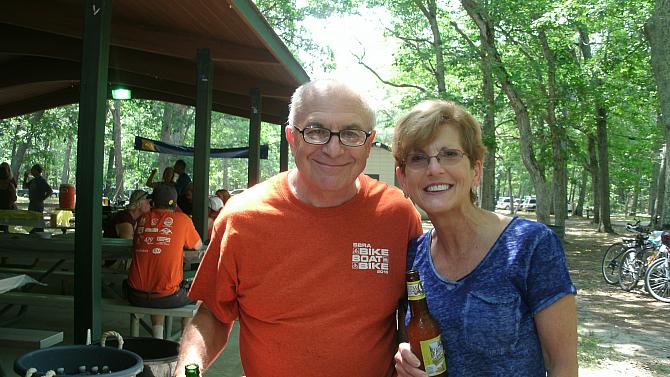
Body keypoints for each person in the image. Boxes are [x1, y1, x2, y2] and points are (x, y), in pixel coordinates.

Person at [172, 79, 423, 377]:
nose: (333, 149)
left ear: (368, 142)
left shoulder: (398, 215)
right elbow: (212, 313)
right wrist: (189, 367)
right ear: (292, 137)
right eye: (316, 131)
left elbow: (415, 309)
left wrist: (409, 353)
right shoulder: (242, 217)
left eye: (350, 134)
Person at [392, 100, 577, 376]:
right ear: (403, 178)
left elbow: (562, 364)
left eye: (450, 154)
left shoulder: (530, 245)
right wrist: (405, 358)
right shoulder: (411, 258)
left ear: (475, 171)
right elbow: (409, 340)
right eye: (418, 158)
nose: (434, 169)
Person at [126, 184, 203, 339]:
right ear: (175, 204)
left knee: (157, 283)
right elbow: (198, 246)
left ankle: (158, 339)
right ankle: (185, 344)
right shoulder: (183, 220)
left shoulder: (142, 219)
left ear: (152, 202)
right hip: (166, 297)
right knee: (199, 291)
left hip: (134, 294)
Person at [22, 163, 53, 233]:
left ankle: (40, 235)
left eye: (32, 170)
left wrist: (42, 199)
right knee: (31, 223)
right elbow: (24, 186)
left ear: (36, 171)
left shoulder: (41, 180)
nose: (31, 171)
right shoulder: (33, 180)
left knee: (38, 222)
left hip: (38, 205)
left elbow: (50, 190)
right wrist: (25, 177)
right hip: (32, 204)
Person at [0, 162, 18, 232]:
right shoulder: (10, 185)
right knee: (6, 229)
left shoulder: (11, 184)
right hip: (7, 209)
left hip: (7, 209)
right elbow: (14, 198)